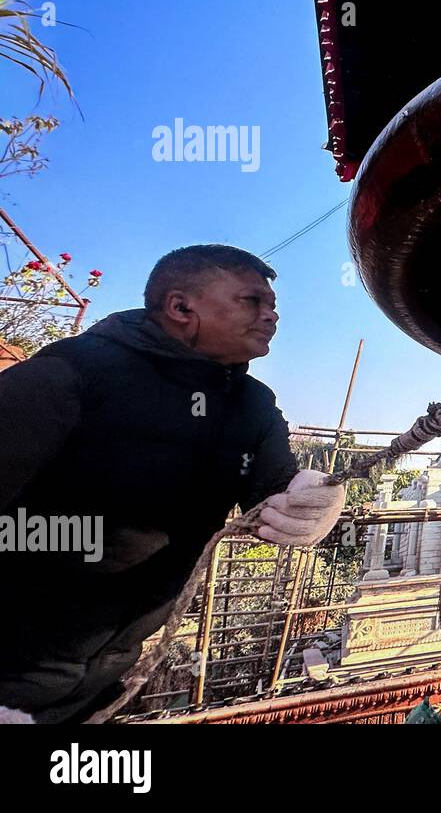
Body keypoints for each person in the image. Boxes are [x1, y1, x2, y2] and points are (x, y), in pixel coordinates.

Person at [0, 244, 344, 723]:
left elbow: (278, 491)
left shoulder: (252, 405)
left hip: (100, 683)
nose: (272, 316)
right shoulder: (73, 374)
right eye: (252, 301)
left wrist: (315, 503)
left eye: (273, 305)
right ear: (181, 307)